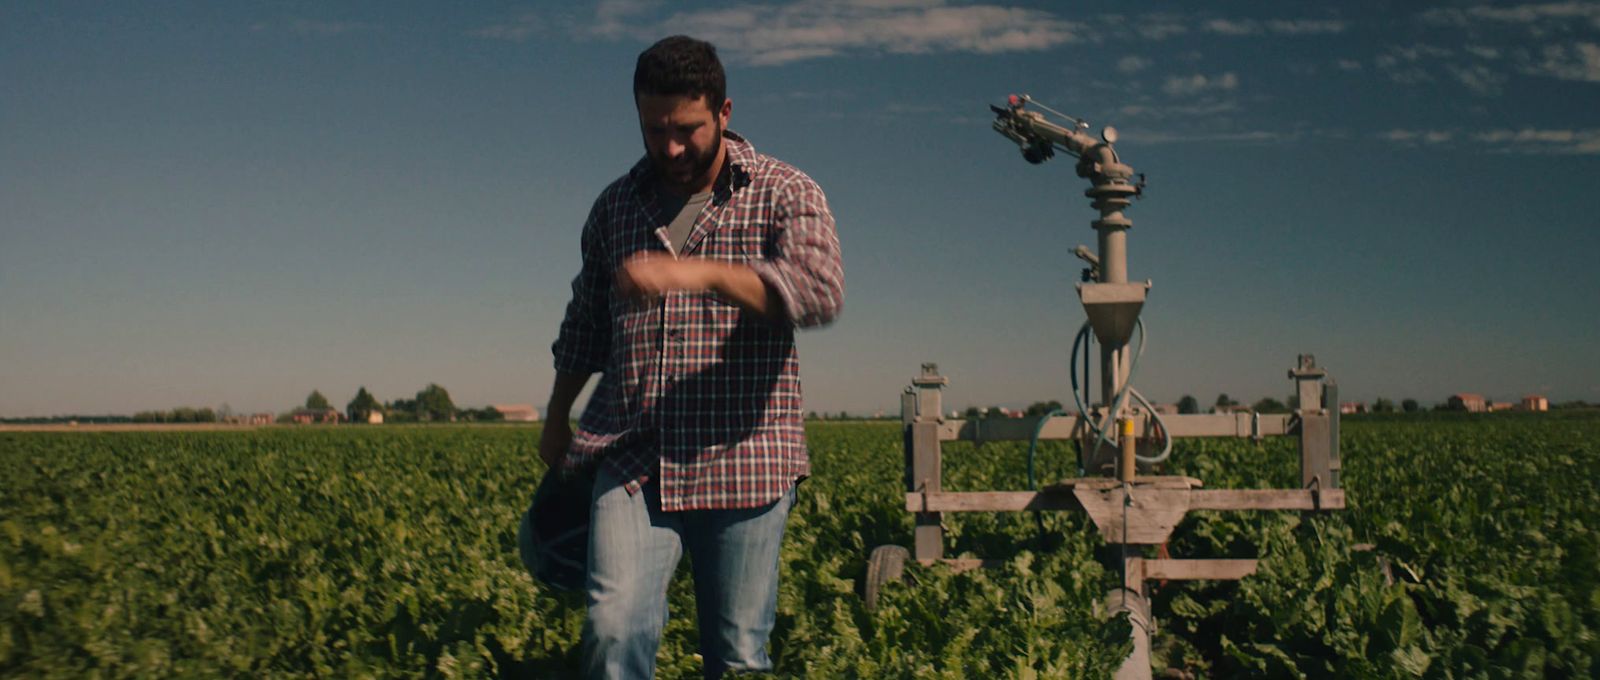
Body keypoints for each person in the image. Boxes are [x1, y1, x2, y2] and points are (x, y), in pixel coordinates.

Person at [540, 35, 843, 679]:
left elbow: (819, 291)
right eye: (655, 130)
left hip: (745, 457)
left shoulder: (785, 192)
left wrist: (700, 274)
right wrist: (557, 414)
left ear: (724, 113)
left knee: (736, 658)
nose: (671, 148)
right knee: (612, 628)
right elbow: (585, 323)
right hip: (632, 452)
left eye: (688, 129)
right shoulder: (616, 207)